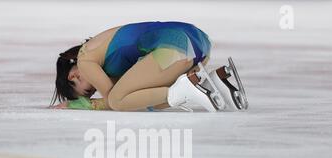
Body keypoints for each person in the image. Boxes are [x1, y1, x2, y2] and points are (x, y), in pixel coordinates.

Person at [49, 21, 247, 112]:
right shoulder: (104, 58)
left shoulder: (85, 60)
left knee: (119, 101)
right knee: (143, 101)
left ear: (73, 76)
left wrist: (78, 104)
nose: (95, 89)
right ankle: (214, 81)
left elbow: (112, 100)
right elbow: (135, 97)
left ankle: (189, 88)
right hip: (198, 44)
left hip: (175, 46)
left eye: (89, 89)